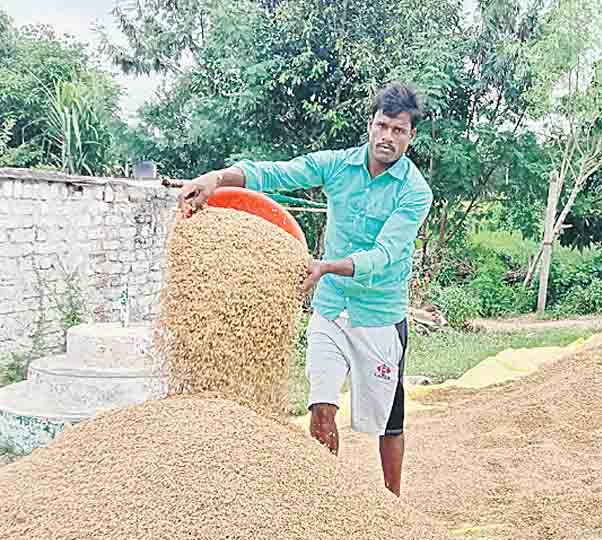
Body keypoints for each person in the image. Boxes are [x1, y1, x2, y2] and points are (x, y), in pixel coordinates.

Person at [178, 82, 433, 496]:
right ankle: (323, 501)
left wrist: (327, 266)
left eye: (398, 130)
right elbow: (279, 172)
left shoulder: (414, 192)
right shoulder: (337, 165)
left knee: (388, 422)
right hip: (330, 310)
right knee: (320, 410)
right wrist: (217, 178)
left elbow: (386, 253)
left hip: (379, 318)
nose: (388, 137)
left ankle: (394, 506)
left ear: (410, 136)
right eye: (382, 126)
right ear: (370, 125)